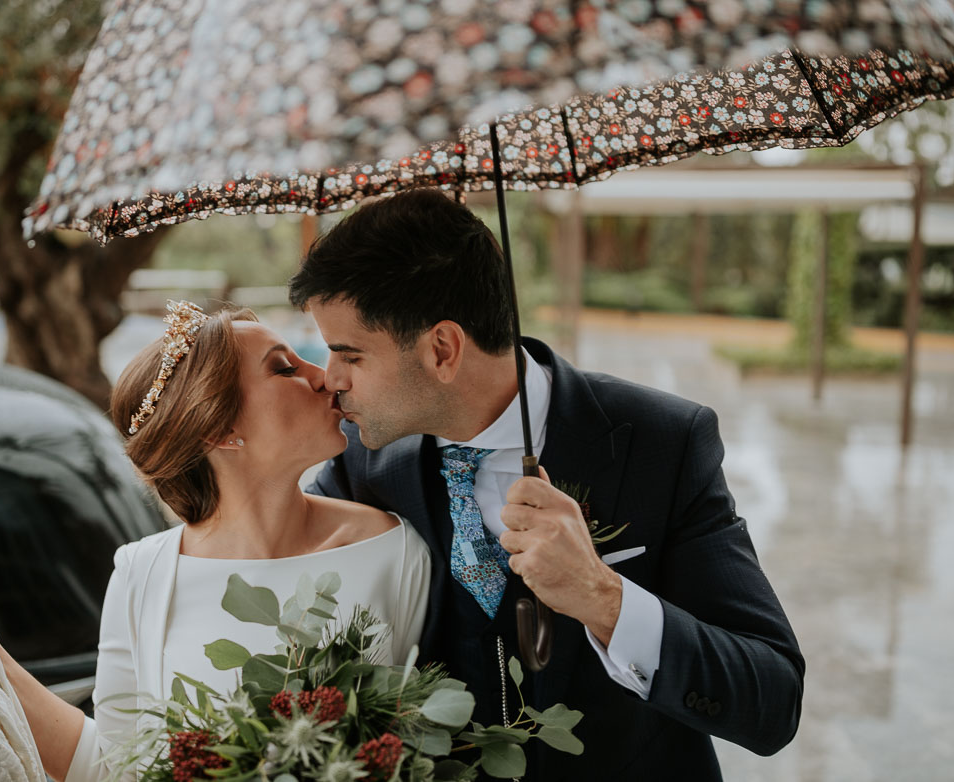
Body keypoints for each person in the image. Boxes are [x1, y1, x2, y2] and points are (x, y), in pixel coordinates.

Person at [288, 189, 805, 781]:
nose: (331, 380)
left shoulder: (662, 442)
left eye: (349, 355)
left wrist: (603, 597)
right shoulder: (359, 469)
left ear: (442, 349)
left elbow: (773, 700)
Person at [0, 303, 431, 782]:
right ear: (219, 430)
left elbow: (422, 744)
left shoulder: (393, 549)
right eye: (285, 368)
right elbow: (114, 767)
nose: (325, 376)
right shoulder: (143, 574)